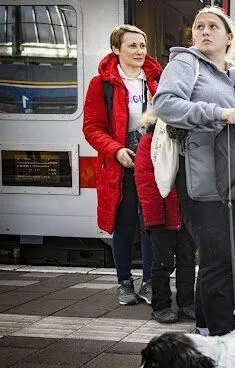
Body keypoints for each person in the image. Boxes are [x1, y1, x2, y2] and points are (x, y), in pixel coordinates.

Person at [153, 6, 235, 335]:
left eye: (213, 27)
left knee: (220, 259)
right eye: (199, 26)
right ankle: (224, 336)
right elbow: (164, 104)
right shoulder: (185, 63)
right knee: (219, 258)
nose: (205, 31)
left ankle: (206, 332)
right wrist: (217, 113)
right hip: (201, 179)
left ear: (229, 37)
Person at [82, 24, 157, 306]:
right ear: (116, 49)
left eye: (142, 45)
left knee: (153, 224)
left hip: (152, 163)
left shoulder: (156, 80)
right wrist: (115, 150)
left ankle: (150, 282)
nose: (139, 51)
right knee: (123, 224)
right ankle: (124, 282)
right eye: (132, 46)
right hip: (121, 164)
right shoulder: (101, 84)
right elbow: (91, 127)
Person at [134, 109, 196, 324]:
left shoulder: (186, 141)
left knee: (188, 261)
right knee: (162, 263)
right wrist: (154, 220)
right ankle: (160, 305)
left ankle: (187, 302)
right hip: (161, 217)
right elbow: (146, 185)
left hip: (185, 214)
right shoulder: (149, 143)